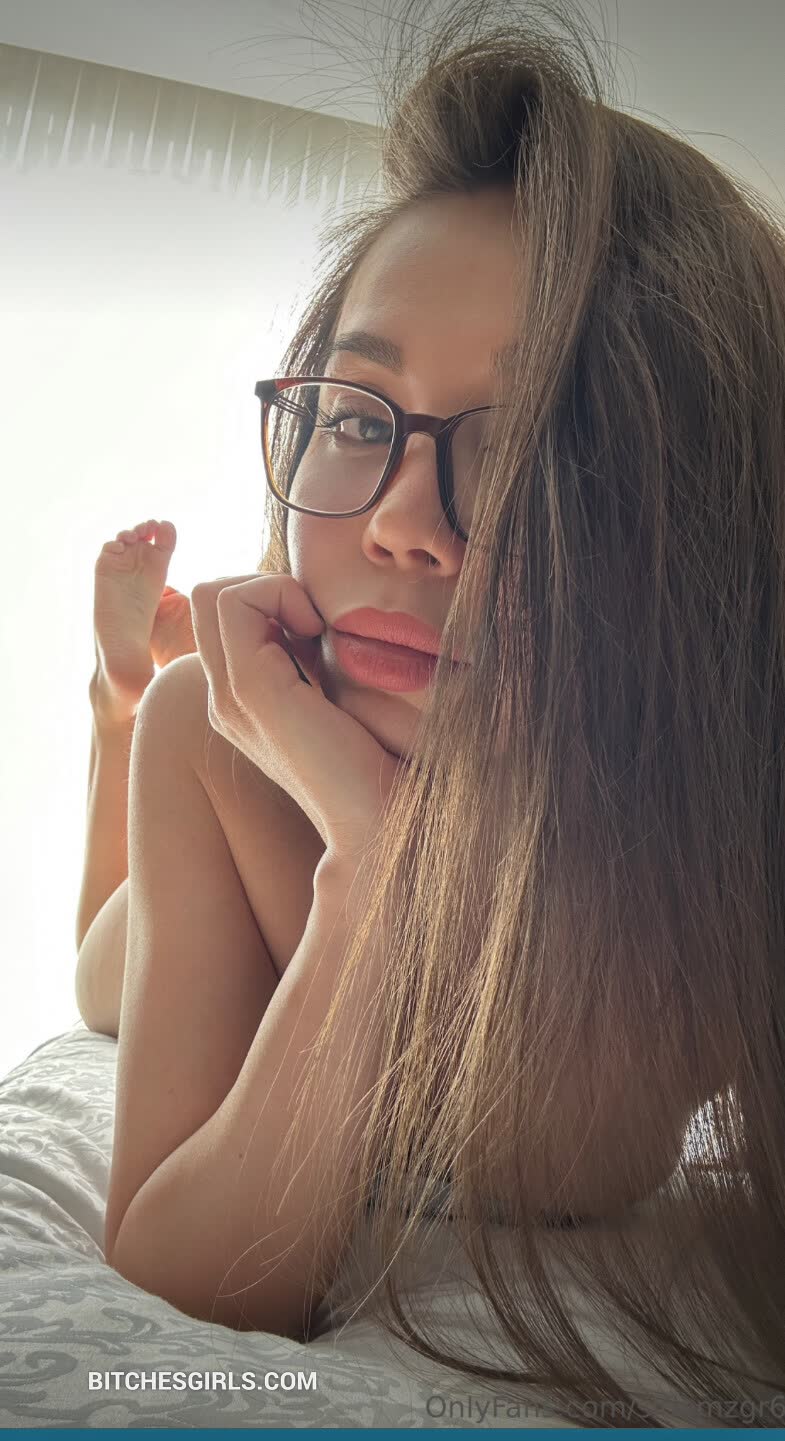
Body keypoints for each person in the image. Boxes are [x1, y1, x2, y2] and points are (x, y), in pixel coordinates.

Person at [73, 0, 785, 1422]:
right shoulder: (229, 735)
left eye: (531, 448)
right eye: (356, 415)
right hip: (214, 820)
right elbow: (186, 1278)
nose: (402, 521)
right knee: (107, 964)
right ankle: (117, 699)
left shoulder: (731, 824)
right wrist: (371, 885)